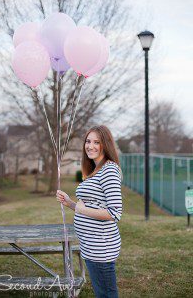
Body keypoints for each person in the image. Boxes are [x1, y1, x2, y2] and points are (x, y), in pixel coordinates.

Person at [56, 125, 122, 298]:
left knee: (106, 294)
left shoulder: (109, 170)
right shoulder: (95, 170)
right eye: (88, 141)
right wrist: (70, 203)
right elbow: (91, 205)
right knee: (102, 292)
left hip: (101, 247)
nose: (90, 146)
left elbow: (114, 213)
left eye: (96, 142)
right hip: (91, 246)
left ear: (105, 145)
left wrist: (79, 208)